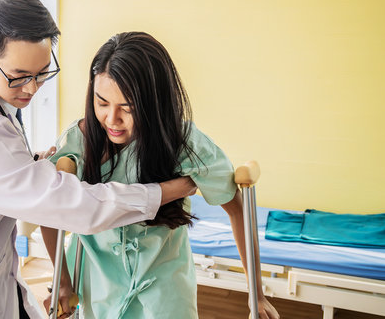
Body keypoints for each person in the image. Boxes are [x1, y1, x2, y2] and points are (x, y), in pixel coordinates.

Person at [0, 0, 196, 319]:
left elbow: (2, 174)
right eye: (19, 75)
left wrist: (31, 168)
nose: (31, 88)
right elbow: (73, 207)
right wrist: (173, 189)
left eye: (42, 73)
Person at [41, 32, 280, 319]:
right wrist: (63, 281)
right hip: (98, 284)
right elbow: (51, 212)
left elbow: (236, 207)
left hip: (165, 288)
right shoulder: (79, 142)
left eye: (127, 108)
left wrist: (257, 293)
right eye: (102, 103)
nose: (112, 120)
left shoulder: (183, 142)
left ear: (153, 104)